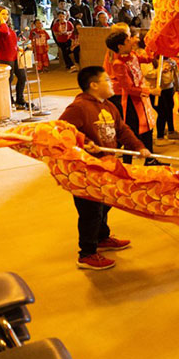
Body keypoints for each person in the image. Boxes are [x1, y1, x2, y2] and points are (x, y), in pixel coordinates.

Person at [60, 66, 150, 270]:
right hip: (85, 171)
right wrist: (82, 141)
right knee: (90, 210)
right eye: (107, 80)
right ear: (93, 85)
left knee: (105, 203)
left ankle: (102, 237)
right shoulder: (79, 107)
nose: (111, 83)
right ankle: (87, 253)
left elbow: (122, 129)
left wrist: (139, 146)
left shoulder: (109, 105)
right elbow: (61, 131)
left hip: (106, 165)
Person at [105, 30, 160, 160]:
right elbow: (128, 88)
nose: (132, 42)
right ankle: (127, 163)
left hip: (141, 99)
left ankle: (150, 159)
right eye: (128, 40)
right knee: (131, 134)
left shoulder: (133, 55)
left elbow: (147, 58)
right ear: (120, 46)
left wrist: (156, 49)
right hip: (132, 102)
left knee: (148, 129)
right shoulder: (119, 64)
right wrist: (150, 91)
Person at [0, 7, 27, 108]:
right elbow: (4, 33)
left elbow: (11, 38)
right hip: (4, 57)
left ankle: (20, 99)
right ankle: (10, 101)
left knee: (22, 76)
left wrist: (17, 48)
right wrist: (2, 21)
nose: (6, 16)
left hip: (14, 55)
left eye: (7, 14)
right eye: (3, 14)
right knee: (8, 79)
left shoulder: (6, 26)